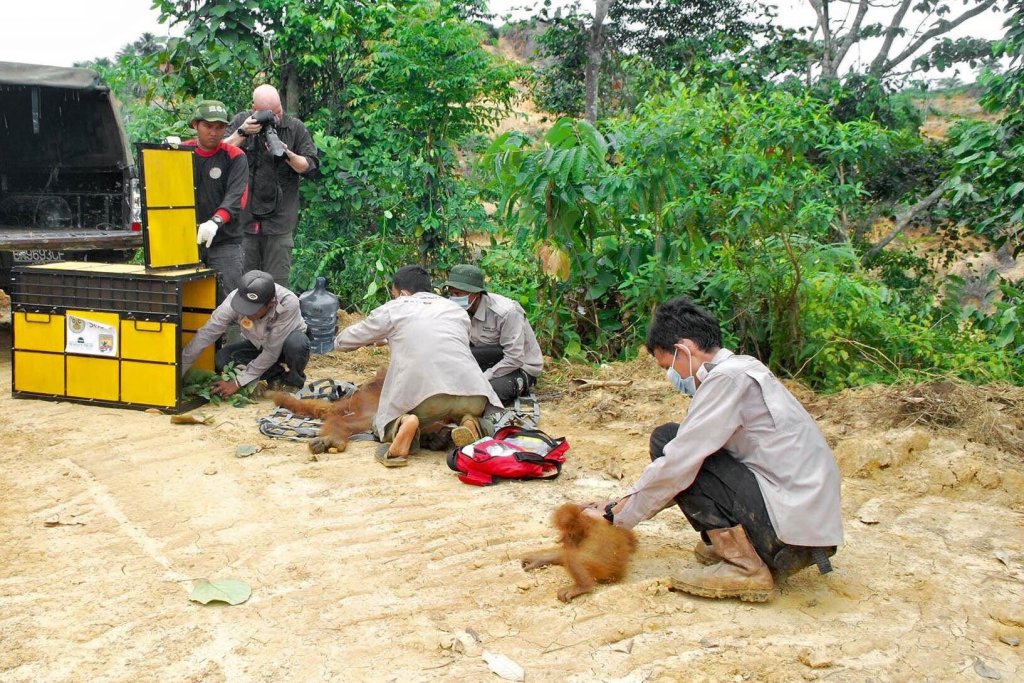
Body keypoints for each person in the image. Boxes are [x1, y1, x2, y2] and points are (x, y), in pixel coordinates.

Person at [588, 297, 843, 603]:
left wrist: (616, 517)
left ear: (683, 349)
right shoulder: (745, 369)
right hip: (807, 530)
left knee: (667, 440)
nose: (672, 377)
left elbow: (679, 464)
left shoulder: (725, 380)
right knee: (682, 447)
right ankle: (739, 545)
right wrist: (619, 503)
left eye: (669, 366)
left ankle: (746, 566)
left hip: (787, 534)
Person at [334, 265, 504, 467]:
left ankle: (404, 424)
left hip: (427, 399)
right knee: (479, 419)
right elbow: (439, 342)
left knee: (381, 421)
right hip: (474, 394)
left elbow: (343, 342)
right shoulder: (455, 310)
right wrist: (390, 338)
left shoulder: (395, 308)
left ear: (403, 293)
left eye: (394, 293)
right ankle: (470, 422)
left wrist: (376, 335)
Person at [224, 84, 319, 287]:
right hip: (244, 222)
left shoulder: (294, 128)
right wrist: (242, 133)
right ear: (254, 109)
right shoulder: (242, 121)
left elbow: (311, 168)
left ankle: (275, 320)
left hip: (279, 223)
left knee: (276, 287)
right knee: (244, 284)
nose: (275, 118)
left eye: (278, 111)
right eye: (269, 114)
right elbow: (220, 154)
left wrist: (287, 154)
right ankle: (245, 320)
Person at [181, 270, 311, 398]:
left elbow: (272, 352)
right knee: (222, 359)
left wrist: (237, 383)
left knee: (297, 343)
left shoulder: (288, 303)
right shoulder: (233, 300)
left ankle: (293, 381)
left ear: (271, 303)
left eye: (253, 310)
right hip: (258, 344)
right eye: (244, 306)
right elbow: (207, 334)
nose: (247, 313)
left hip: (285, 344)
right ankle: (276, 376)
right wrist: (179, 370)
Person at [443, 264, 543, 405]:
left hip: (519, 365)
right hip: (492, 356)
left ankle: (518, 383)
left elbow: (515, 358)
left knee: (487, 394)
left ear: (476, 293)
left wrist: (484, 377)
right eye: (451, 293)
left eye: (458, 294)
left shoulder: (506, 312)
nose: (454, 298)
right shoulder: (459, 310)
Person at [180, 100, 248, 302]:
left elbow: (237, 198)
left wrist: (215, 221)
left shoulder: (235, 156)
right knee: (187, 300)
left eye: (220, 127)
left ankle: (234, 335)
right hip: (186, 242)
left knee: (232, 301)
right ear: (195, 125)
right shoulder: (180, 152)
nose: (214, 132)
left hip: (225, 242)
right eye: (208, 126)